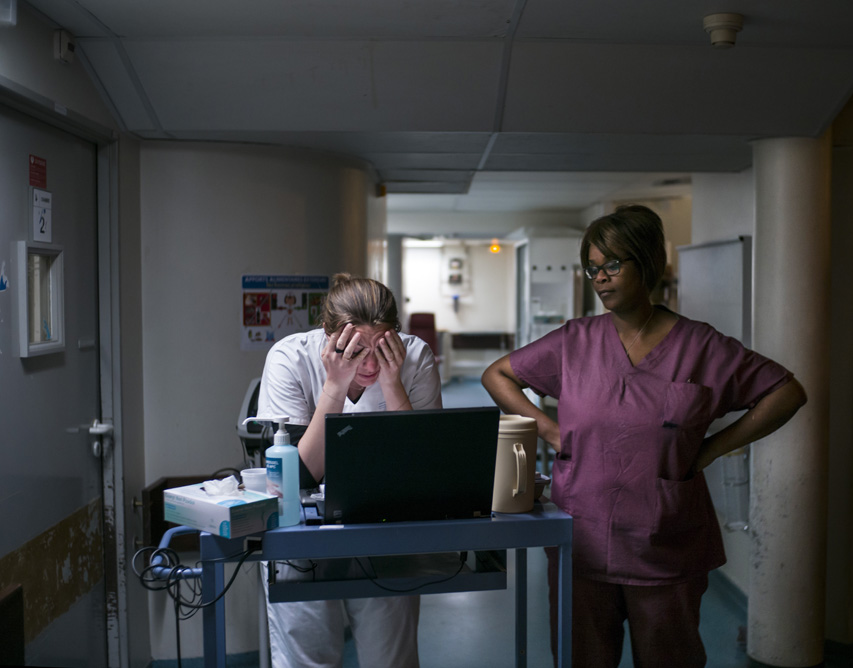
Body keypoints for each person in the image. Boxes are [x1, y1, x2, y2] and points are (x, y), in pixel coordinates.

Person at [481, 205, 807, 668]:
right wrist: (551, 430)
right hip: (583, 538)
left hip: (665, 543)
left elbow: (786, 392)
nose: (600, 278)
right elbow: (497, 375)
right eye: (592, 268)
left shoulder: (702, 347)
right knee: (582, 657)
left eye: (613, 264)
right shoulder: (575, 341)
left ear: (648, 263)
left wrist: (713, 449)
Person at [256, 273, 442, 668]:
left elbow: (422, 469)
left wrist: (393, 387)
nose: (371, 364)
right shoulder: (290, 356)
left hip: (386, 528)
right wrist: (334, 387)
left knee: (390, 660)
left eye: (381, 347)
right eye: (356, 351)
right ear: (328, 336)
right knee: (310, 659)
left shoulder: (415, 356)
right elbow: (301, 476)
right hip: (300, 535)